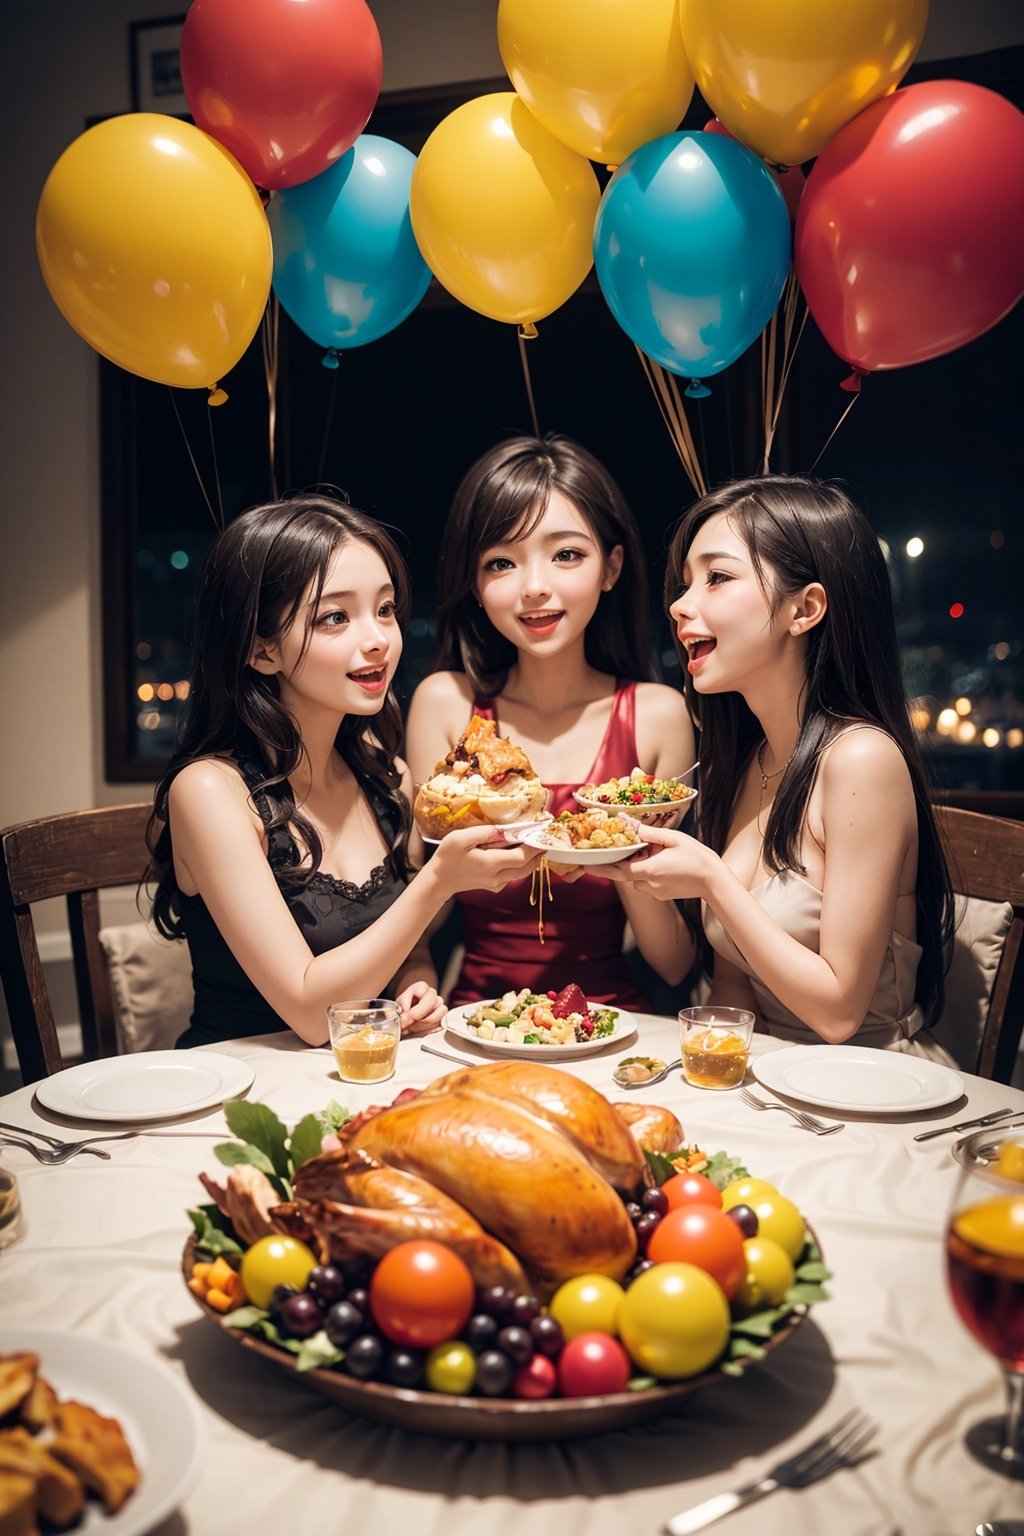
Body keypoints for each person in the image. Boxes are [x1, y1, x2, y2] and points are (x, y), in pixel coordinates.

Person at [147, 493, 540, 1048]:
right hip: (242, 1092)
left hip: (360, 1081)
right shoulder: (210, 791)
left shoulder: (387, 777)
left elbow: (409, 948)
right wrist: (438, 881)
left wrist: (417, 984)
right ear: (262, 652)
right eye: (336, 617)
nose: (378, 638)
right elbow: (311, 1014)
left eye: (384, 609)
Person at [601, 473, 955, 1057]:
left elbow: (840, 1013)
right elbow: (736, 986)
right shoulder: (749, 762)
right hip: (779, 1080)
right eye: (686, 583)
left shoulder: (861, 759)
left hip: (873, 1089)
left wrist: (711, 881)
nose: (680, 604)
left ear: (805, 608)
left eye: (717, 578)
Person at [405, 434, 698, 1008]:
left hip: (613, 1027)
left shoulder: (657, 714)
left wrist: (617, 850)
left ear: (611, 567)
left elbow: (674, 962)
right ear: (474, 581)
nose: (534, 585)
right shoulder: (445, 704)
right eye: (501, 562)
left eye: (566, 554)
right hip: (477, 1022)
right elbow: (425, 921)